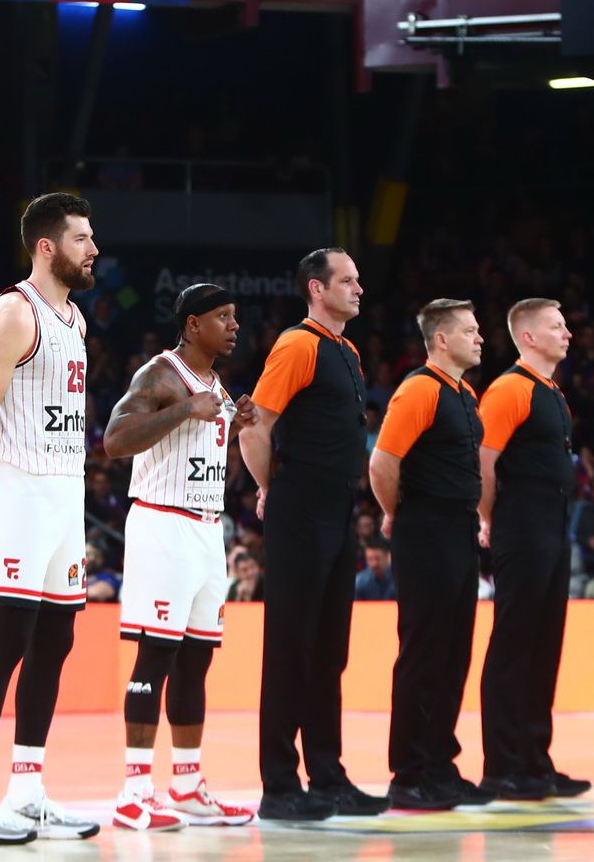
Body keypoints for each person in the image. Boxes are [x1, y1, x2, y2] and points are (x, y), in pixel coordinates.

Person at [0, 193, 101, 845]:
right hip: (17, 490)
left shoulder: (76, 319)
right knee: (7, 639)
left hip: (65, 494)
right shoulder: (14, 312)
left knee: (56, 640)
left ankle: (29, 790)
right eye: (82, 239)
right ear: (46, 246)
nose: (93, 249)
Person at [101, 282, 257, 831]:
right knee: (155, 657)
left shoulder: (216, 384)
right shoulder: (161, 374)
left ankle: (187, 787)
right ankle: (133, 792)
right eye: (223, 317)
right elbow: (115, 440)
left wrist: (234, 425)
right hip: (163, 524)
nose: (234, 326)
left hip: (208, 531)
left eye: (235, 316)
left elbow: (199, 456)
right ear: (193, 324)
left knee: (196, 661)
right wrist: (188, 408)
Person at [239, 248, 385, 821]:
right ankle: (279, 785)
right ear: (317, 289)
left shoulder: (347, 351)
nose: (358, 288)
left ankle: (326, 775)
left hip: (337, 508)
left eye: (358, 279)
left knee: (329, 650)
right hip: (300, 507)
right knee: (290, 648)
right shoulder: (298, 344)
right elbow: (254, 426)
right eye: (347, 280)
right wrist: (268, 487)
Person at [368, 299, 496, 810]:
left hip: (458, 528)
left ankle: (440, 764)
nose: (480, 338)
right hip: (426, 527)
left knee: (453, 653)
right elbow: (382, 463)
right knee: (424, 652)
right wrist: (396, 514)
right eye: (470, 330)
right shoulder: (419, 389)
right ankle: (410, 774)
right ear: (441, 339)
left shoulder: (464, 392)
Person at [477, 298, 591, 800]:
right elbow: (483, 461)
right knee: (514, 645)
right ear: (528, 337)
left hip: (552, 523)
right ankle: (502, 767)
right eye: (556, 326)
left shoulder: (552, 392)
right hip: (521, 524)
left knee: (544, 646)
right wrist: (487, 519)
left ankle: (535, 762)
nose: (567, 333)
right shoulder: (510, 389)